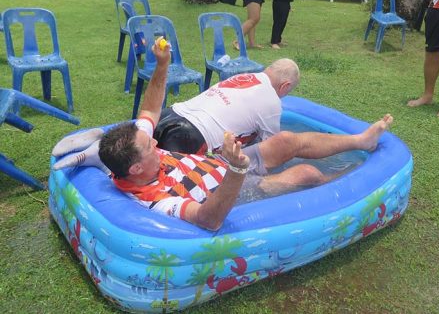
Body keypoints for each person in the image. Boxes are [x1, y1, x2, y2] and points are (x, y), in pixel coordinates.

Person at [53, 39, 394, 231]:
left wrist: (162, 65)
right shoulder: (158, 201)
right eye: (150, 146)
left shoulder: (134, 151)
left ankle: (360, 141)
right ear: (136, 169)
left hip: (218, 161)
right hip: (234, 185)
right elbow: (209, 219)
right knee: (306, 173)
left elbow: (151, 111)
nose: (155, 141)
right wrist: (237, 169)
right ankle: (343, 182)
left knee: (287, 141)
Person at [153, 58, 300, 153]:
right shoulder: (272, 101)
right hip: (191, 135)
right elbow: (271, 149)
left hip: (167, 115)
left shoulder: (244, 76)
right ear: (285, 86)